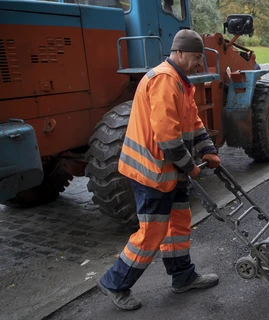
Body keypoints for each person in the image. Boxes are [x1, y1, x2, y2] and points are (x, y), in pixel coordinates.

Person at [97, 29, 221, 311]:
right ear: (178, 53)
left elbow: (193, 121)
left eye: (201, 58)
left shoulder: (181, 81)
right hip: (151, 171)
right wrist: (191, 167)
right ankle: (114, 282)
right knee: (152, 232)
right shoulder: (165, 80)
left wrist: (208, 150)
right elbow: (167, 136)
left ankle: (183, 277)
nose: (200, 64)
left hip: (169, 170)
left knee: (178, 223)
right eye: (195, 58)